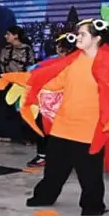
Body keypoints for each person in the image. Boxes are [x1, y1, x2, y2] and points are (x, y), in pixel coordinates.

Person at [0, 19, 109, 216]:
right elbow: (54, 82)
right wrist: (28, 82)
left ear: (96, 38)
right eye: (78, 33)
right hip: (63, 124)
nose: (78, 37)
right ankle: (44, 196)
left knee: (90, 173)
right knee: (54, 168)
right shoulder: (72, 60)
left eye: (83, 34)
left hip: (89, 128)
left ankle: (93, 206)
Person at [26, 32, 77, 168]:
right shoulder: (51, 61)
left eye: (62, 47)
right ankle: (44, 155)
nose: (59, 50)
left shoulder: (78, 63)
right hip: (49, 103)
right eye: (60, 46)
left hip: (68, 103)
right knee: (43, 127)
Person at [0, 26, 35, 143]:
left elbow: (31, 66)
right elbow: (2, 67)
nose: (6, 36)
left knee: (22, 110)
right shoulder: (5, 49)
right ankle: (9, 135)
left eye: (8, 34)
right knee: (8, 110)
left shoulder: (27, 49)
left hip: (22, 84)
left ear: (16, 36)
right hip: (8, 83)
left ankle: (26, 137)